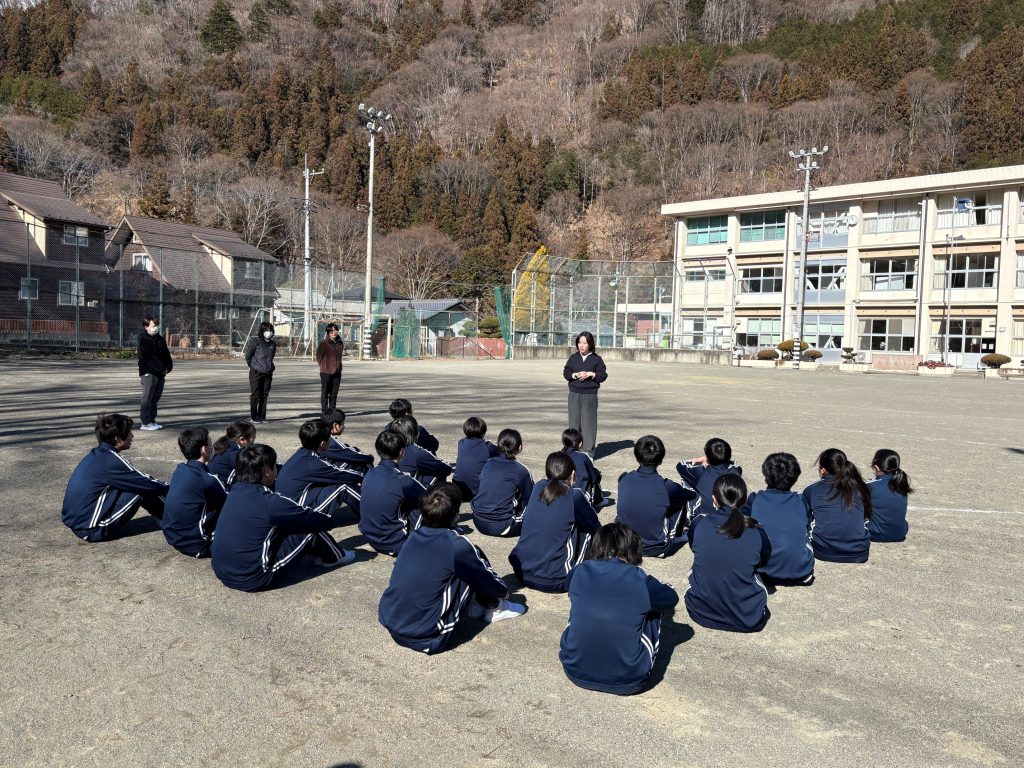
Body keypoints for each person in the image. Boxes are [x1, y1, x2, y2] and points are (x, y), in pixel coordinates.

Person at [378, 482, 525, 654]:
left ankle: (479, 602)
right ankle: (495, 606)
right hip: (428, 636)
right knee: (470, 561)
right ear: (456, 515)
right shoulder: (456, 544)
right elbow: (483, 577)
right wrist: (502, 591)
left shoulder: (413, 536)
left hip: (392, 624)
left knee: (462, 560)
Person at [211, 443, 355, 592]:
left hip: (222, 571)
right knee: (309, 529)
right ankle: (336, 556)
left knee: (277, 525)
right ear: (267, 471)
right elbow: (310, 519)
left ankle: (321, 552)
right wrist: (329, 522)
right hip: (253, 577)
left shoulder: (234, 492)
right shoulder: (269, 502)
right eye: (274, 466)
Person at [559, 522, 678, 695]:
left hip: (574, 671)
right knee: (654, 608)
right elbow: (671, 598)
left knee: (581, 605)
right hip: (629, 680)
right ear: (633, 550)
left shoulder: (579, 571)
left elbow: (568, 585)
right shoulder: (639, 579)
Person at [684, 474, 772, 633]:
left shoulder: (698, 523)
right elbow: (764, 561)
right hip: (747, 619)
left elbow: (694, 547)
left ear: (714, 499)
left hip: (700, 613)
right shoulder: (757, 530)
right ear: (744, 501)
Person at [61, 413, 168, 542]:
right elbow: (146, 483)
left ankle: (170, 516)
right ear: (117, 438)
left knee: (136, 484)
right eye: (129, 432)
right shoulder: (110, 460)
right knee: (142, 489)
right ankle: (176, 518)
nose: (132, 436)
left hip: (78, 524)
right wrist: (174, 488)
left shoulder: (97, 455)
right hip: (92, 530)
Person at [509, 452, 601, 592]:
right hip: (557, 580)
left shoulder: (538, 488)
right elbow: (596, 529)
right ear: (573, 474)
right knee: (589, 532)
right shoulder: (574, 496)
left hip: (522, 573)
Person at [616, 435, 696, 557]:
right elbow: (691, 495)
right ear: (660, 460)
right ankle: (678, 536)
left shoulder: (624, 478)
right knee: (680, 500)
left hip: (624, 545)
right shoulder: (666, 486)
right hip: (656, 548)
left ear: (637, 458)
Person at [742, 453, 815, 587]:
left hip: (761, 572)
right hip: (800, 572)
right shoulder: (801, 500)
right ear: (795, 476)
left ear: (765, 475)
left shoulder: (755, 498)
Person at [275, 419, 363, 519]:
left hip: (289, 506)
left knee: (336, 480)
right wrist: (363, 477)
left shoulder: (302, 453)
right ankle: (373, 512)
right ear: (322, 444)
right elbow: (342, 474)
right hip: (298, 514)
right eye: (330, 438)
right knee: (343, 486)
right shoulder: (312, 463)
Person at [358, 430, 427, 556]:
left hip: (371, 539)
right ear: (401, 452)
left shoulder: (369, 474)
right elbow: (427, 497)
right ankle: (419, 539)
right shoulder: (402, 479)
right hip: (396, 543)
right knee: (426, 502)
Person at [163, 427, 228, 558]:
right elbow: (233, 500)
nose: (213, 447)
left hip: (174, 537)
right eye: (210, 443)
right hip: (199, 545)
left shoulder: (180, 470)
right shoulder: (207, 479)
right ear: (204, 450)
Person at [803, 448, 872, 563]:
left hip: (824, 551)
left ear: (823, 470)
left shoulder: (812, 490)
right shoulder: (860, 487)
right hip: (859, 552)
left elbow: (804, 520)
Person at [471, 428, 534, 537]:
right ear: (519, 447)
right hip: (503, 526)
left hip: (477, 520)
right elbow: (531, 500)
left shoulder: (488, 463)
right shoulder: (521, 470)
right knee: (532, 501)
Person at [562, 331, 607, 457]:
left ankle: (588, 452)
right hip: (574, 394)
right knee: (574, 424)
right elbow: (566, 373)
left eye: (584, 343)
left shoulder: (596, 359)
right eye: (579, 342)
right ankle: (572, 450)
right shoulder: (573, 358)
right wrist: (575, 375)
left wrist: (592, 374)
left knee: (588, 424)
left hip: (589, 395)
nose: (581, 345)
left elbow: (603, 375)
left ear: (590, 344)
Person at [677, 437, 742, 522]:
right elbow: (735, 464)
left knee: (686, 479)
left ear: (707, 457)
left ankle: (690, 515)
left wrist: (703, 459)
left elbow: (680, 465)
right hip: (732, 517)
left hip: (703, 519)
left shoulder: (700, 473)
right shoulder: (736, 470)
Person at [391, 415, 453, 487]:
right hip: (410, 490)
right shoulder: (415, 452)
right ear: (415, 432)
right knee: (438, 472)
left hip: (390, 485)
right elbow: (446, 469)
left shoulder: (387, 447)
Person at [867, 449, 912, 543]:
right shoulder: (901, 484)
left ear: (876, 467)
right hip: (900, 533)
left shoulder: (870, 486)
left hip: (876, 534)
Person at [137, 314, 173, 431]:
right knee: (147, 397)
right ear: (146, 327)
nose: (156, 327)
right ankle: (145, 422)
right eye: (153, 326)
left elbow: (166, 354)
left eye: (156, 325)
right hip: (149, 372)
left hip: (160, 373)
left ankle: (152, 420)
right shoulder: (143, 339)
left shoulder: (160, 338)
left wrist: (168, 367)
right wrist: (161, 368)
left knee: (155, 398)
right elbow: (148, 357)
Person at [452, 416, 498, 502]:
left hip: (458, 488)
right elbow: (501, 453)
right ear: (484, 432)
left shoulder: (461, 443)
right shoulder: (488, 446)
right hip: (477, 491)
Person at [560, 427, 608, 507]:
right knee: (595, 473)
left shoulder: (558, 456)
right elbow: (594, 478)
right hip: (580, 497)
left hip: (561, 495)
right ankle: (599, 501)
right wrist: (597, 474)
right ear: (580, 444)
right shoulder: (582, 456)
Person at [321, 409, 374, 476]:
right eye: (343, 423)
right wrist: (370, 457)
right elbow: (353, 454)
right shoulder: (330, 441)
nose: (344, 426)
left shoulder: (320, 435)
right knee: (365, 464)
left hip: (323, 468)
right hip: (331, 472)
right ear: (335, 426)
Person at [244, 321, 276, 423]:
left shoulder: (272, 344)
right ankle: (254, 417)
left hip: (268, 373)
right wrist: (253, 366)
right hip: (256, 372)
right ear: (262, 331)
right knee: (256, 394)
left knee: (264, 395)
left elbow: (271, 358)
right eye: (266, 330)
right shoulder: (255, 342)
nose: (269, 332)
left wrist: (271, 367)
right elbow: (248, 356)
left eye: (270, 330)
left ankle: (262, 416)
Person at [208, 421, 257, 487]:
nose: (254, 440)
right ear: (242, 440)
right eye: (253, 437)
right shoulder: (238, 454)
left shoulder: (224, 445)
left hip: (213, 486)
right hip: (225, 490)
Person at [316, 323, 344, 415]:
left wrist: (338, 366)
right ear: (328, 332)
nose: (334, 333)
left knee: (334, 392)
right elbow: (319, 357)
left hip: (337, 371)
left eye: (335, 330)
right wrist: (324, 366)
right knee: (325, 392)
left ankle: (332, 411)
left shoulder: (340, 343)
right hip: (326, 371)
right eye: (331, 331)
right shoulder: (323, 343)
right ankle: (325, 411)